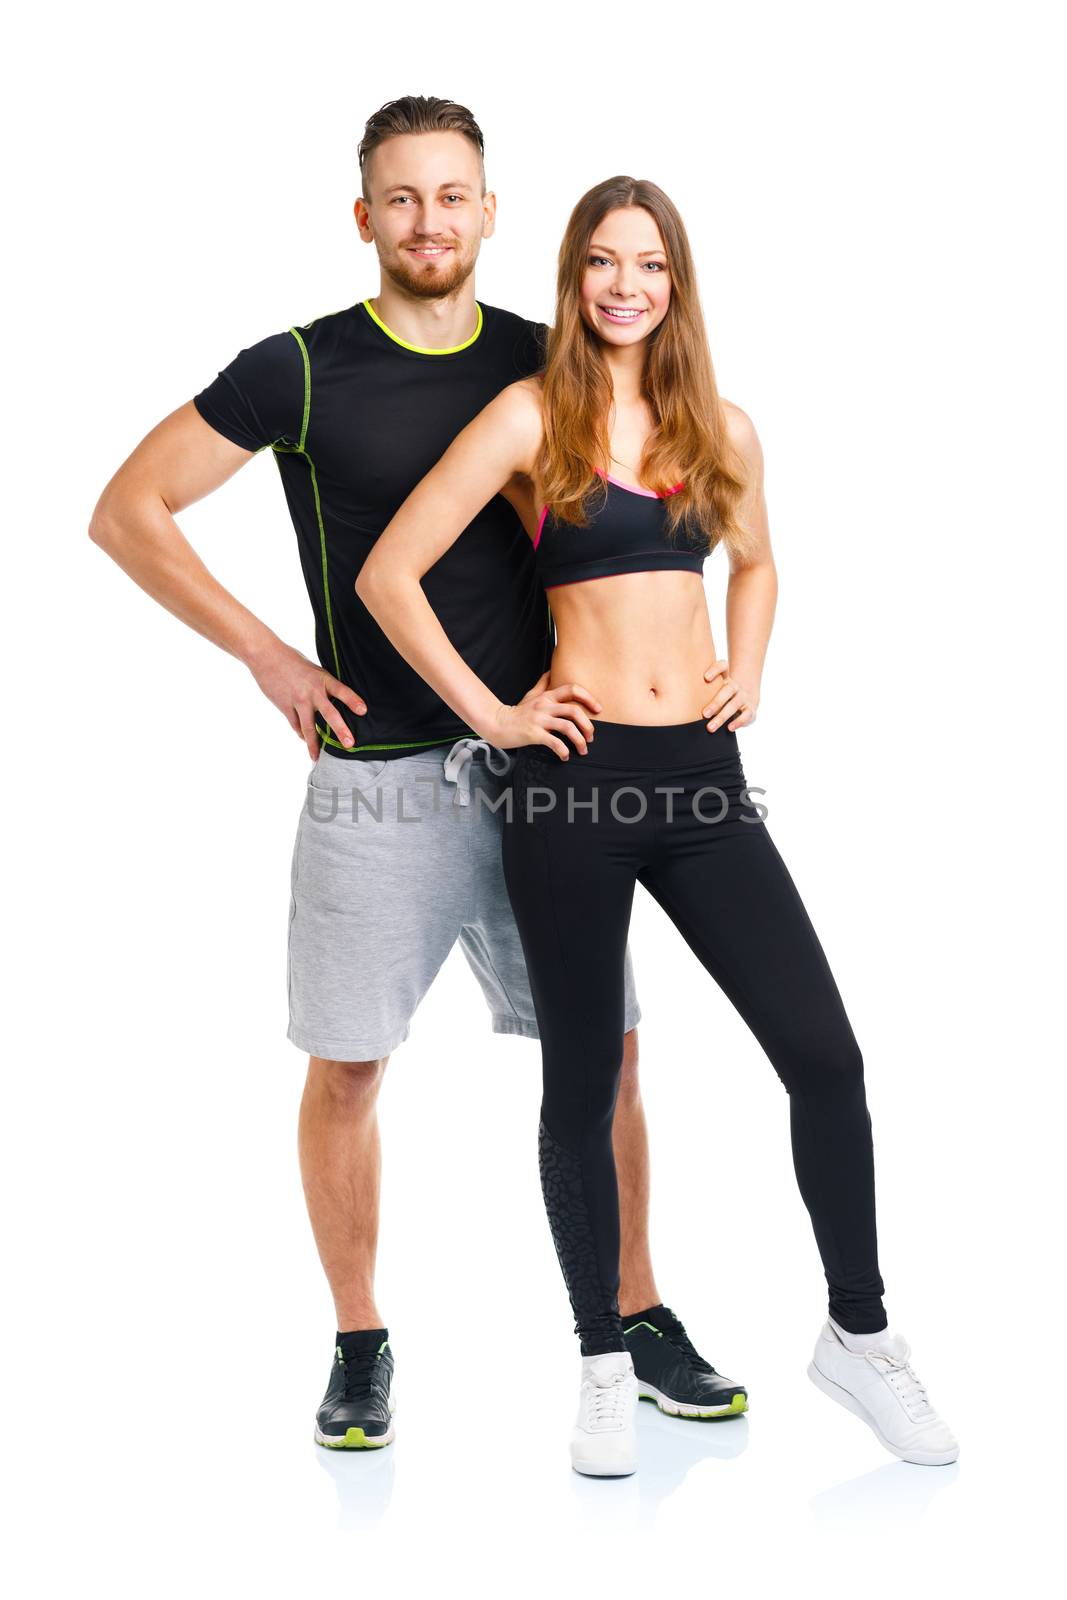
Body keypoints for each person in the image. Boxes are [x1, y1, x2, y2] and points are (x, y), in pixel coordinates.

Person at [87, 98, 748, 1453]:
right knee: (347, 1070)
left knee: (608, 1055)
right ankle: (359, 1338)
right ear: (365, 217)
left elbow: (674, 519)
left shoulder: (546, 368)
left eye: (455, 196)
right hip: (375, 782)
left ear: (492, 214)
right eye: (403, 199)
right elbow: (127, 510)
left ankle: (637, 1313)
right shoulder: (301, 371)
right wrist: (268, 654)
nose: (430, 221)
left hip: (551, 775)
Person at [356, 174, 961, 1478]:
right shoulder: (530, 416)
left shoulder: (721, 425)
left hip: (698, 783)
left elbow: (761, 559)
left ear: (675, 285)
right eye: (601, 263)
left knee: (826, 1056)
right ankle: (601, 1361)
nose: (626, 284)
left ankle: (860, 1337)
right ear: (574, 280)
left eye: (651, 265)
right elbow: (388, 574)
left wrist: (752, 662)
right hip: (572, 786)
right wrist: (498, 714)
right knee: (582, 1078)